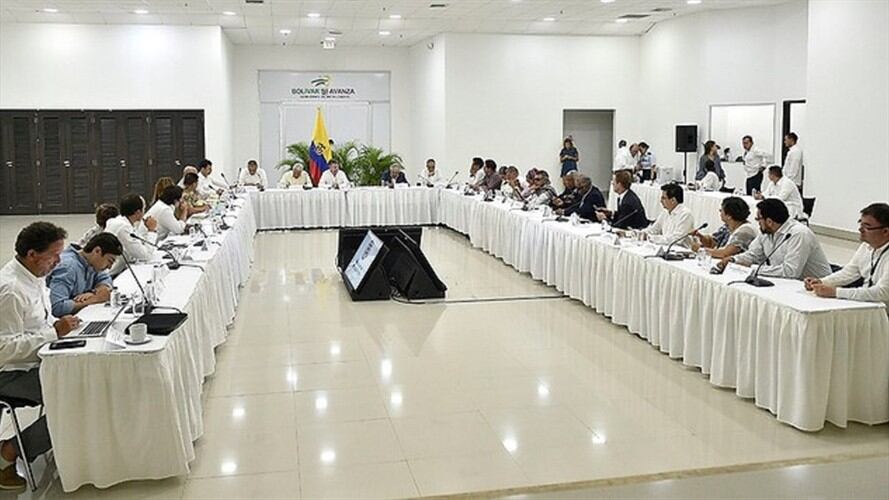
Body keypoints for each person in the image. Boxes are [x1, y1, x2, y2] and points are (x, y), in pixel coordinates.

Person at [0, 222, 80, 489]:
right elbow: (3, 349)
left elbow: (39, 322)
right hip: (10, 372)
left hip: (37, 359)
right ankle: (9, 453)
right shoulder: (11, 290)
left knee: (88, 380)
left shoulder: (34, 276)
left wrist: (62, 326)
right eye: (53, 255)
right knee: (75, 397)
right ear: (32, 254)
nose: (59, 262)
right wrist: (53, 333)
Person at [716, 198, 831, 279]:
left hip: (816, 287)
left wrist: (752, 268)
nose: (757, 222)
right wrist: (734, 260)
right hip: (789, 284)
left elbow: (790, 272)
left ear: (769, 221)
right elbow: (753, 255)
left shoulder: (799, 234)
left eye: (758, 219)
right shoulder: (766, 232)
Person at [804, 203, 889, 308]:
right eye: (860, 224)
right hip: (868, 305)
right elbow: (849, 272)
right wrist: (822, 282)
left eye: (867, 226)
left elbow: (883, 292)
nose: (860, 230)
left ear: (885, 231)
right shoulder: (866, 246)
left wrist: (836, 292)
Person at [46, 233, 121, 317]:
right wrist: (95, 299)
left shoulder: (92, 262)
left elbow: (104, 278)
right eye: (110, 261)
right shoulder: (68, 267)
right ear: (97, 251)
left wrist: (98, 291)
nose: (110, 267)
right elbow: (57, 307)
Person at [104, 193, 159, 276]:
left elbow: (140, 243)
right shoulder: (123, 228)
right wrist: (152, 231)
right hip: (111, 274)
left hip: (117, 269)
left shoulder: (120, 221)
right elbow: (145, 255)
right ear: (138, 212)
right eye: (144, 209)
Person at [691, 196, 757, 258]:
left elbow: (725, 253)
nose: (720, 212)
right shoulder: (727, 226)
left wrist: (700, 250)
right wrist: (700, 236)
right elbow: (712, 243)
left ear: (729, 216)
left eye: (721, 210)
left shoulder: (746, 231)